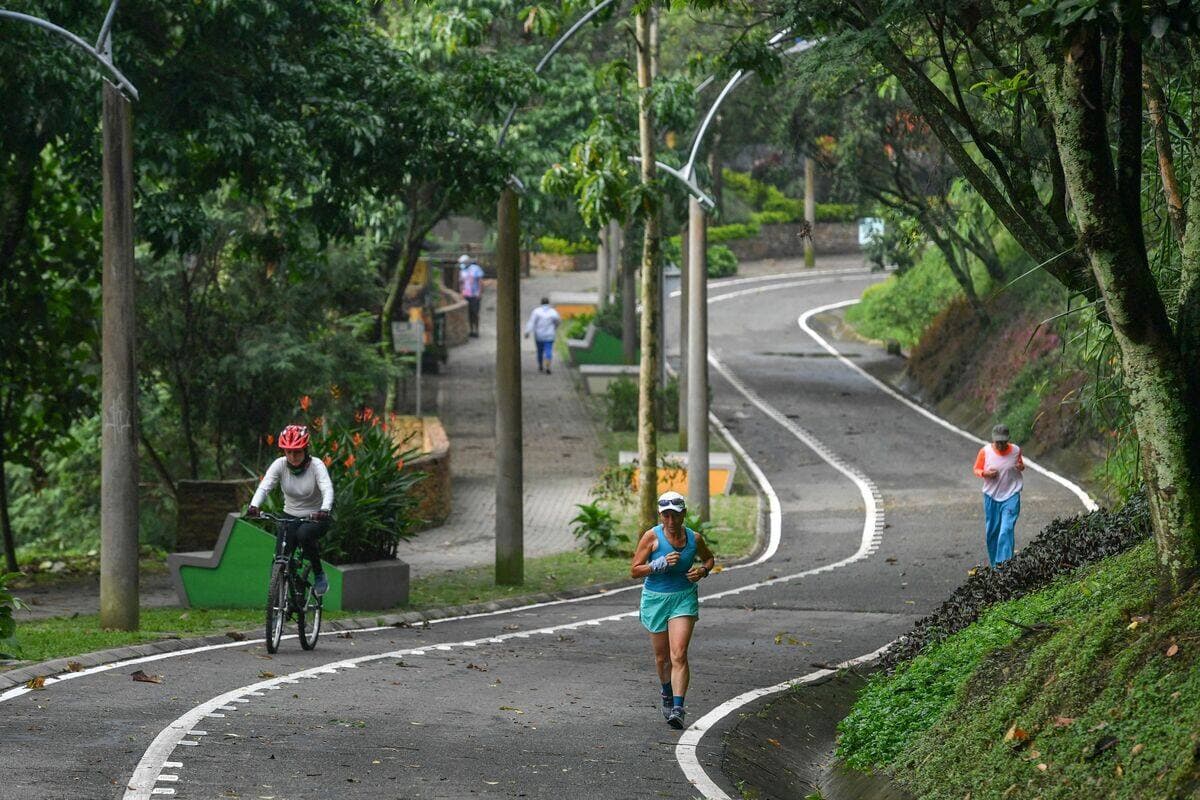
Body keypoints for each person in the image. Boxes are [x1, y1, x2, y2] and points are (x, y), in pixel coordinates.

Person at [630, 490, 716, 729]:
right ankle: (666, 692)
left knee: (678, 653)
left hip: (683, 597)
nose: (671, 521)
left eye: (675, 515)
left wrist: (702, 571)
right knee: (662, 657)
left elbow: (709, 559)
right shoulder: (651, 537)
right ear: (660, 516)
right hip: (655, 600)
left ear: (684, 514)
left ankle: (678, 707)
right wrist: (658, 564)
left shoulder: (694, 538)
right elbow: (635, 570)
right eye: (666, 516)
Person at [247, 424, 335, 595]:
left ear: (306, 450)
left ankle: (319, 574)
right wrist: (254, 506)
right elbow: (265, 487)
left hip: (315, 516)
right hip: (290, 516)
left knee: (303, 535)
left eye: (297, 452)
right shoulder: (279, 465)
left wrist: (325, 509)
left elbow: (327, 489)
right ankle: (282, 600)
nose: (293, 456)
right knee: (280, 558)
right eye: (289, 452)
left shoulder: (316, 466)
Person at [973, 423, 1025, 568]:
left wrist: (1021, 467)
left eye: (1003, 442)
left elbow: (1020, 464)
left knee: (1006, 529)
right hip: (991, 496)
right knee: (993, 533)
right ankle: (995, 566)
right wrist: (985, 474)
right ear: (993, 440)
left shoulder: (1015, 450)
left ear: (1008, 439)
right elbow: (977, 469)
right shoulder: (985, 451)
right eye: (998, 442)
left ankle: (1005, 567)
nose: (1001, 445)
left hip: (1011, 495)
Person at [524, 296, 562, 374]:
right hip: (549, 335)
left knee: (540, 351)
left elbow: (532, 322)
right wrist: (555, 327)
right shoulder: (553, 312)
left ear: (541, 303)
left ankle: (540, 365)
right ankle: (548, 365)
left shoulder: (536, 311)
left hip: (539, 335)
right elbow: (558, 321)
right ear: (548, 303)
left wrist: (527, 332)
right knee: (548, 350)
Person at [458, 254, 485, 337]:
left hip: (475, 294)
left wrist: (480, 293)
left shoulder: (475, 269)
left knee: (475, 313)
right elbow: (461, 282)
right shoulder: (462, 271)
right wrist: (461, 292)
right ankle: (470, 330)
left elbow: (480, 282)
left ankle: (476, 330)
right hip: (466, 295)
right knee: (469, 313)